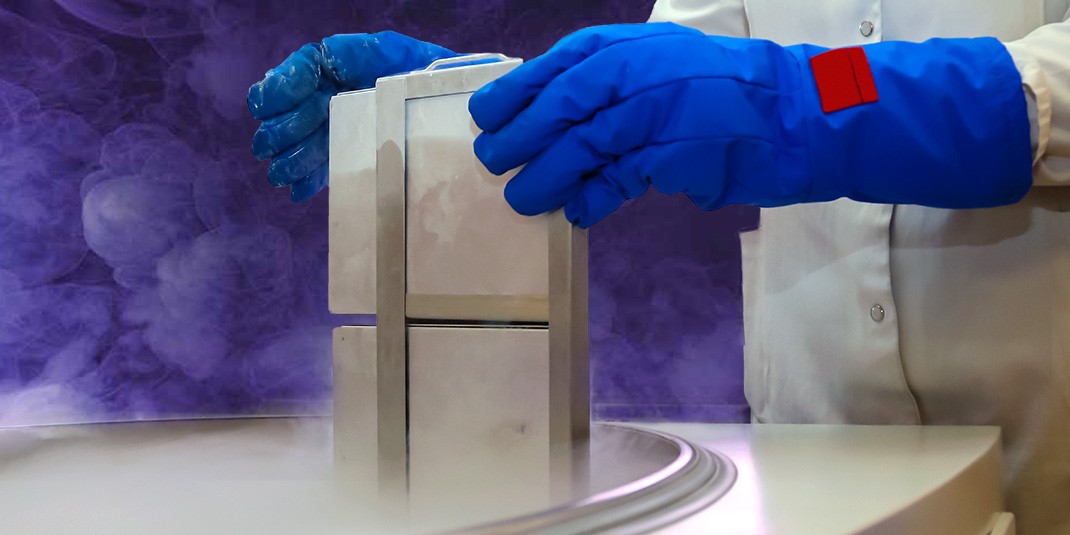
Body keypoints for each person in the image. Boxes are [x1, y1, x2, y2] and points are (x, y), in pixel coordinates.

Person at [247, 1, 1070, 532]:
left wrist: (821, 97)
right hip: (816, 456)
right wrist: (447, 102)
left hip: (1047, 458)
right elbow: (671, 72)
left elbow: (791, 85)